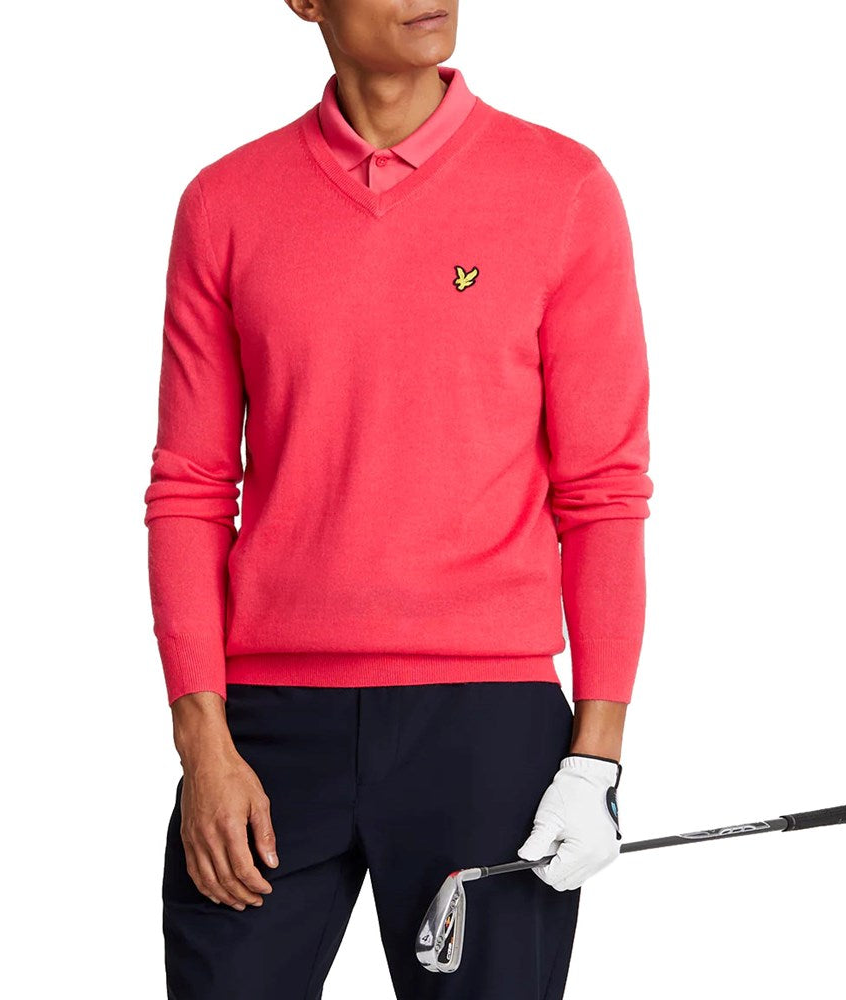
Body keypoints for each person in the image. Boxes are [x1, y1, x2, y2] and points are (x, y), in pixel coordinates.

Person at [143, 1, 653, 996]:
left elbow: (602, 493)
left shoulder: (562, 188)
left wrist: (595, 761)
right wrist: (202, 744)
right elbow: (191, 487)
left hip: (486, 729)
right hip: (266, 732)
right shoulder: (226, 201)